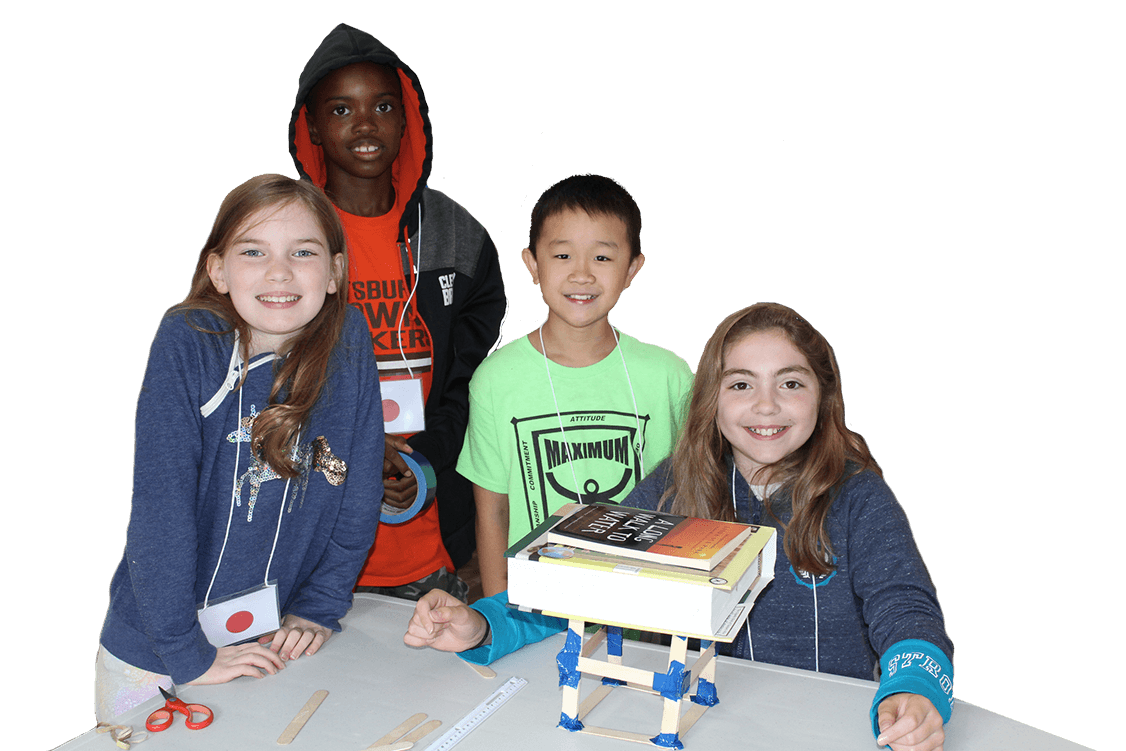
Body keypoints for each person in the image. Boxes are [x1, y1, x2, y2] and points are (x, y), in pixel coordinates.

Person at [406, 302, 954, 751]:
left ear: (824, 396)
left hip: (826, 727)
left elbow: (907, 612)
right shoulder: (675, 487)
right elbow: (583, 582)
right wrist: (480, 628)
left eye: (790, 383)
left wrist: (916, 689)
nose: (766, 405)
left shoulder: (858, 496)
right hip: (706, 725)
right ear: (710, 398)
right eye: (741, 385)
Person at [97, 174, 384, 721]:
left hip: (273, 640)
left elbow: (357, 489)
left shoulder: (348, 338)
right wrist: (186, 655)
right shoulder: (189, 341)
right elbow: (162, 513)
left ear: (335, 272)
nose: (280, 271)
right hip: (157, 652)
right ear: (218, 270)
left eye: (304, 252)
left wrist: (322, 605)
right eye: (254, 251)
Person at [289, 23, 507, 598]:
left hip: (433, 547)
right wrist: (347, 445)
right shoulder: (281, 237)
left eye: (382, 105)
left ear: (407, 115)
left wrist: (426, 466)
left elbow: (472, 384)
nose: (364, 125)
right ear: (310, 124)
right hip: (309, 554)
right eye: (341, 109)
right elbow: (260, 383)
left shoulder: (459, 238)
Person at [457, 173, 694, 597]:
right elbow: (492, 510)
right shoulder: (495, 379)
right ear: (533, 265)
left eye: (602, 258)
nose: (582, 275)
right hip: (534, 603)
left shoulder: (670, 376)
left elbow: (692, 497)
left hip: (643, 602)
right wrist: (498, 609)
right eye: (563, 255)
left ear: (632, 269)